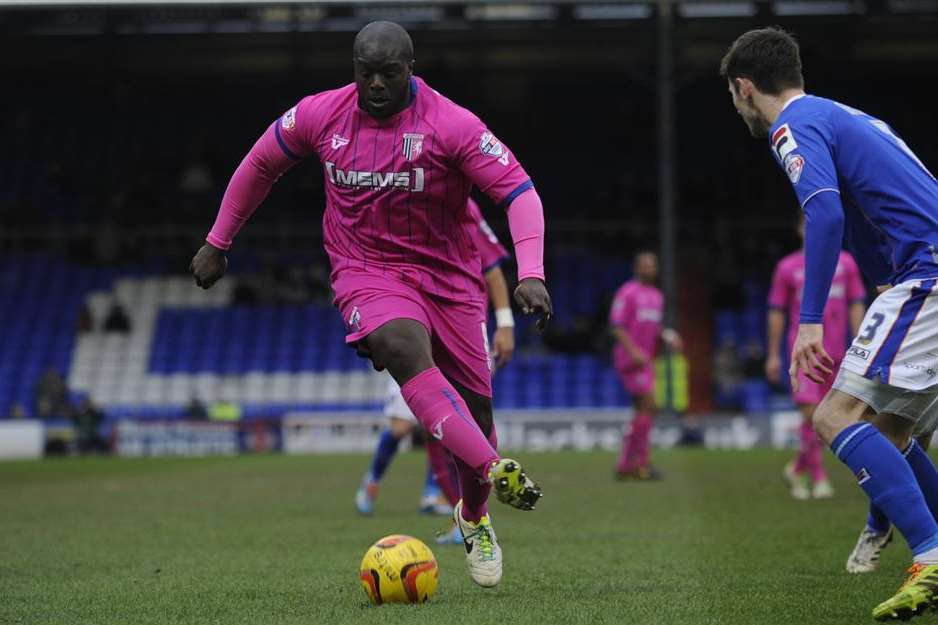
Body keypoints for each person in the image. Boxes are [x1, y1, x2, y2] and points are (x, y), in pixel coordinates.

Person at [189, 21, 551, 588]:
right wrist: (218, 240)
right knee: (399, 347)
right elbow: (260, 163)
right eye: (366, 73)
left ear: (412, 68)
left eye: (389, 73)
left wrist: (530, 272)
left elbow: (518, 191)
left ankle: (475, 515)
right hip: (366, 271)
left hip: (451, 279)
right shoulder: (319, 114)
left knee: (479, 414)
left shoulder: (451, 124)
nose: (376, 84)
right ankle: (490, 467)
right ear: (353, 69)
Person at [721, 27, 938, 621]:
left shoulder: (793, 126)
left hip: (931, 273)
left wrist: (810, 321)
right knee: (892, 428)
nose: (736, 107)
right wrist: (879, 281)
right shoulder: (849, 117)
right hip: (919, 272)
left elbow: (825, 210)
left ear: (745, 87)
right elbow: (871, 213)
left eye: (733, 96)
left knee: (834, 415)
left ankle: (931, 556)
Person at [355, 200, 516, 541]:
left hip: (461, 330)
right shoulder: (389, 194)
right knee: (408, 427)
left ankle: (460, 510)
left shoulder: (463, 207)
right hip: (412, 333)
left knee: (461, 423)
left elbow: (492, 270)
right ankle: (376, 482)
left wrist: (505, 323)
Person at [766, 216, 866, 500]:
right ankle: (820, 478)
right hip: (804, 352)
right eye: (807, 225)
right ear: (799, 230)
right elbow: (776, 311)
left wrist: (861, 345)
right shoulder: (787, 268)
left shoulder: (846, 263)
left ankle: (797, 469)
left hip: (837, 353)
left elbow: (856, 305)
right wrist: (773, 354)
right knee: (811, 414)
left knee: (828, 418)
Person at [610, 251, 682, 480]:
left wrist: (668, 336)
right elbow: (617, 326)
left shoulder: (657, 297)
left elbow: (653, 327)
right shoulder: (627, 292)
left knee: (645, 410)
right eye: (644, 265)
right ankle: (640, 463)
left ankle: (627, 465)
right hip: (631, 359)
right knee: (648, 403)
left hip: (647, 360)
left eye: (651, 265)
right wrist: (633, 351)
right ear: (636, 268)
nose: (648, 269)